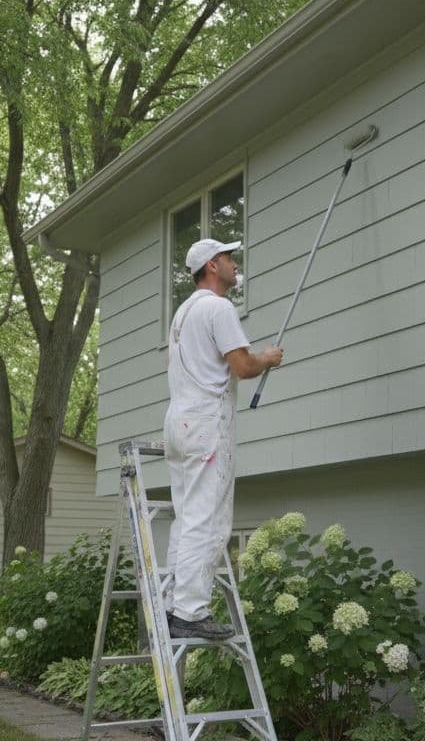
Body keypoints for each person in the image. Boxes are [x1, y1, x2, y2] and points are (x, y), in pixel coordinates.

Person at [163, 238, 283, 640]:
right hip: (204, 423)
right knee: (208, 518)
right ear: (212, 266)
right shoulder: (218, 307)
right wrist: (267, 357)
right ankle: (190, 613)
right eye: (229, 258)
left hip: (178, 422)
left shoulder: (183, 313)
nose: (235, 263)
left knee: (186, 515)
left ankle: (172, 605)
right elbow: (243, 366)